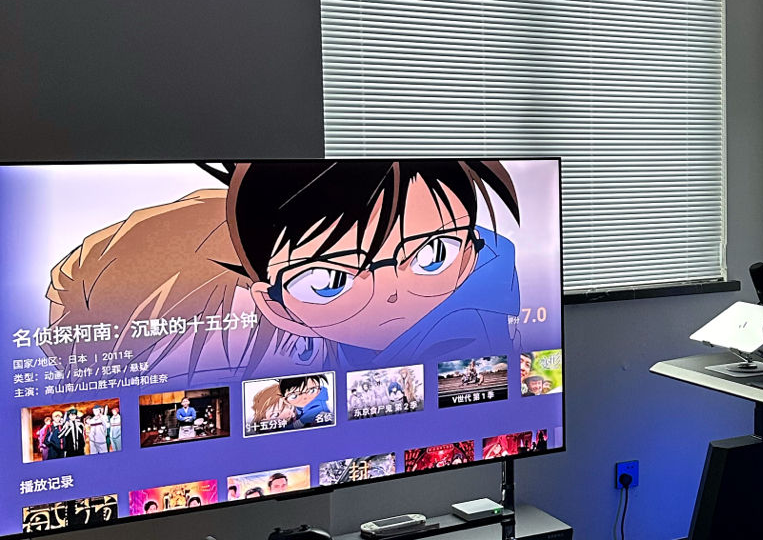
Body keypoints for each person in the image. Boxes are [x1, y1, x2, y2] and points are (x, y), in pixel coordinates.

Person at [42, 157, 523, 384]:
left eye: (434, 251)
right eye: (331, 278)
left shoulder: (480, 295)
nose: (392, 293)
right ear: (276, 305)